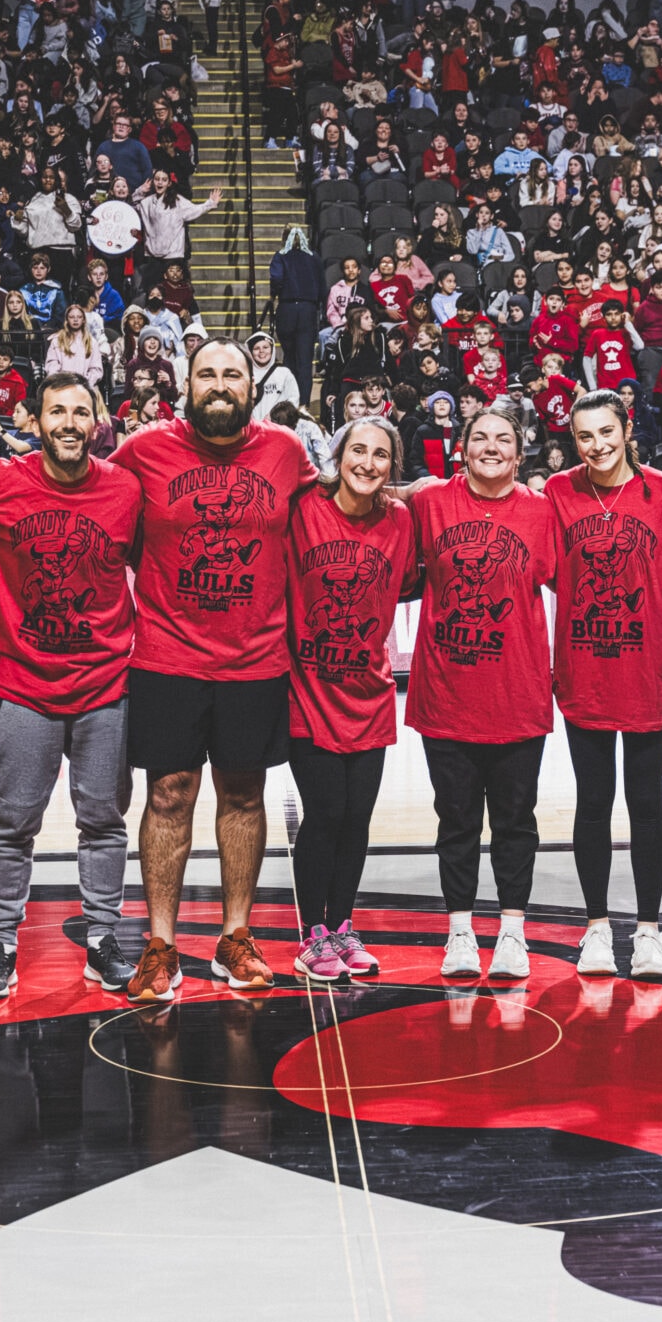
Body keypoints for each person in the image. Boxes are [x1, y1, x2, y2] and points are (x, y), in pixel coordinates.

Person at [109, 337, 318, 1001]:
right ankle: (161, 944)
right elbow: (88, 500)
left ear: (253, 387)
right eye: (207, 374)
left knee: (244, 794)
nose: (220, 384)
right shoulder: (143, 450)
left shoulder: (286, 452)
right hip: (167, 655)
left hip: (256, 657)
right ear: (184, 384)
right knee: (168, 794)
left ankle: (235, 936)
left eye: (233, 374)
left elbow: (331, 511)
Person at [0, 372, 144, 999]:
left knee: (104, 819)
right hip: (24, 686)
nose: (69, 423)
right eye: (56, 411)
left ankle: (101, 938)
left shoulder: (125, 489)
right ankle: (2, 942)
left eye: (80, 412)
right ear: (33, 421)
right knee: (12, 821)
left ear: (98, 420)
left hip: (105, 685)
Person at [410, 403, 558, 981]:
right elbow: (381, 498)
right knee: (457, 821)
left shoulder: (542, 512)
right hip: (446, 695)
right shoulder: (430, 503)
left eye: (503, 440)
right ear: (462, 449)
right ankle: (461, 932)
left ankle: (514, 932)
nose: (490, 447)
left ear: (520, 456)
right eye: (480, 438)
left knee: (517, 821)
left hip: (517, 696)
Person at [550, 390, 662, 979]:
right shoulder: (557, 492)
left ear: (627, 429)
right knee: (594, 803)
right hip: (584, 669)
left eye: (607, 432)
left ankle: (650, 931)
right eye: (585, 436)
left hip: (650, 668)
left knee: (647, 802)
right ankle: (598, 928)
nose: (597, 446)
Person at [283, 416, 416, 979]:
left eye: (380, 455)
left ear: (393, 466)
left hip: (371, 692)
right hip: (308, 691)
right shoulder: (303, 509)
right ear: (337, 456)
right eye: (357, 450)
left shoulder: (401, 521)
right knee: (326, 812)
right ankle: (312, 933)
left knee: (357, 818)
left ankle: (342, 925)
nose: (367, 462)